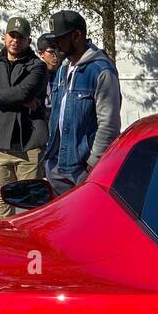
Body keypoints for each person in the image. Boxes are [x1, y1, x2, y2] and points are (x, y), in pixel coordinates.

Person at [41, 10, 121, 190]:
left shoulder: (102, 71)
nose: (54, 45)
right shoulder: (63, 68)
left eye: (59, 39)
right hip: (56, 166)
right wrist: (49, 161)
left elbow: (109, 124)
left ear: (76, 35)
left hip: (81, 171)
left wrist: (93, 163)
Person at [0, 17, 49, 218]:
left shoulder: (38, 66)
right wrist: (19, 97)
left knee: (31, 202)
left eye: (21, 37)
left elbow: (22, 93)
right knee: (2, 198)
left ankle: (29, 245)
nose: (15, 40)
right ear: (4, 37)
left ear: (29, 40)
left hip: (30, 145)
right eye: (12, 35)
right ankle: (7, 242)